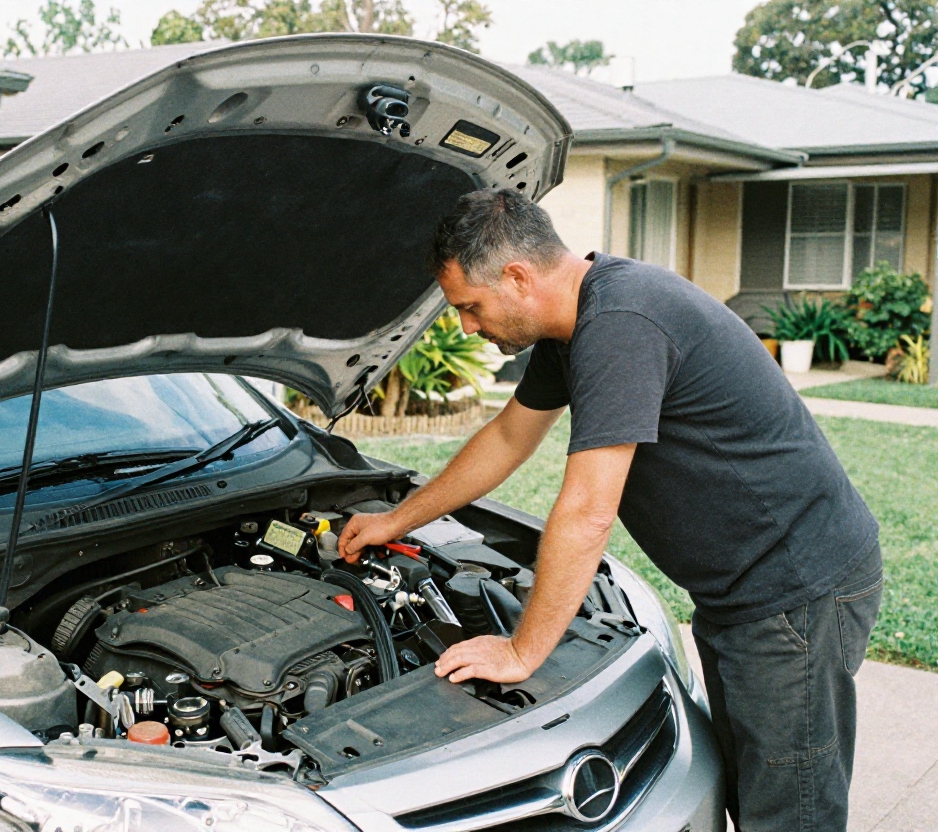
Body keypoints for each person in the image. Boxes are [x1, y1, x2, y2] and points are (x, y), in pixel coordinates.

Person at [338, 188, 882, 832]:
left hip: (795, 592)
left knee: (790, 812)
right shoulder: (572, 329)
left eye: (469, 307)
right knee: (751, 792)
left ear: (517, 277)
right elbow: (508, 438)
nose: (467, 327)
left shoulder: (622, 323)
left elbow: (588, 510)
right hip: (740, 592)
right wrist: (396, 521)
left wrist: (522, 651)